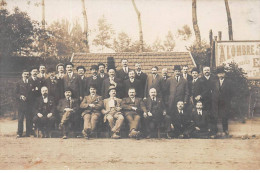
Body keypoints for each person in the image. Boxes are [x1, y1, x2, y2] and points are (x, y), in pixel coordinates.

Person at [212, 66, 233, 137]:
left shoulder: (229, 82)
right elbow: (213, 92)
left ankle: (225, 130)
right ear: (217, 75)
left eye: (222, 73)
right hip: (216, 102)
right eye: (219, 74)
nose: (221, 75)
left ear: (224, 74)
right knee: (215, 116)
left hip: (225, 102)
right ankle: (215, 131)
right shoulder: (214, 82)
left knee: (224, 116)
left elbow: (231, 93)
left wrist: (229, 101)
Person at [197, 66, 217, 135]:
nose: (206, 71)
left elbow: (215, 90)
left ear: (210, 71)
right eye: (205, 70)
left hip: (212, 101)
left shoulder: (214, 79)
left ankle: (214, 132)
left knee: (213, 116)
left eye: (208, 70)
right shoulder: (200, 80)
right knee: (205, 116)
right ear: (203, 72)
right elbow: (198, 91)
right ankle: (205, 131)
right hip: (204, 101)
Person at [27, 67, 44, 136]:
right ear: (31, 72)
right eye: (33, 71)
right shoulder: (28, 80)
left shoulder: (39, 80)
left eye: (36, 71)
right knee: (29, 116)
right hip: (30, 101)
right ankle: (29, 131)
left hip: (38, 100)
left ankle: (37, 130)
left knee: (37, 114)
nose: (35, 72)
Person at [15, 69, 30, 138]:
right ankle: (19, 133)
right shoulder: (18, 83)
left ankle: (28, 133)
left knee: (28, 119)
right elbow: (15, 93)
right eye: (25, 74)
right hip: (21, 104)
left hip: (29, 103)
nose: (26, 75)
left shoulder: (30, 82)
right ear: (22, 75)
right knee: (20, 119)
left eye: (27, 74)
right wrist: (20, 96)